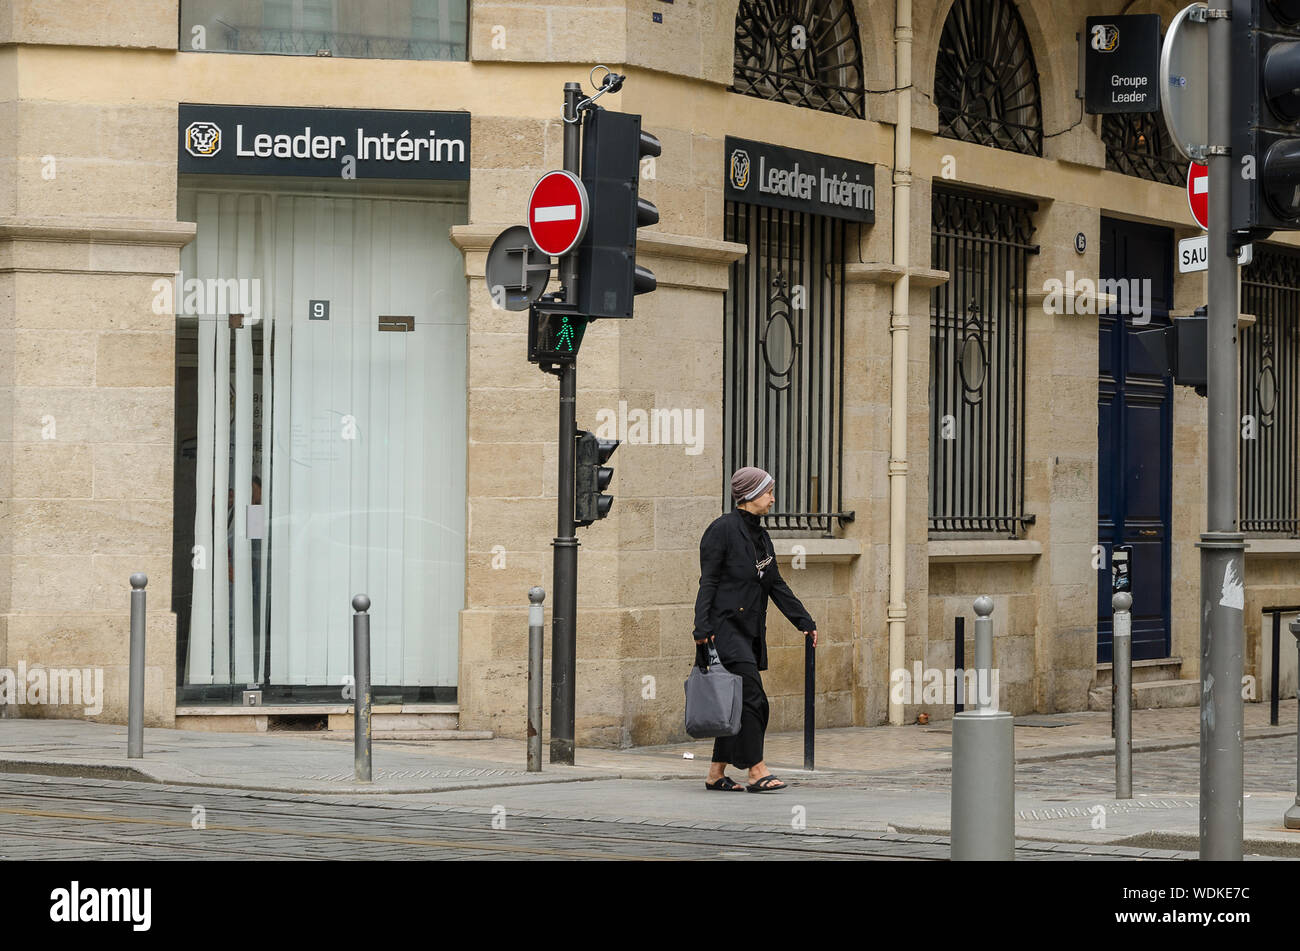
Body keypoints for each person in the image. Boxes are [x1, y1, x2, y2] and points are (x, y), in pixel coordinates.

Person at [692, 466, 818, 792]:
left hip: (748, 632)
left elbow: (775, 583)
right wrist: (701, 630)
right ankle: (756, 770)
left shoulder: (760, 535)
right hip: (723, 630)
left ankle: (715, 773)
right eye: (767, 492)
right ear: (748, 495)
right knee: (753, 700)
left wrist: (804, 622)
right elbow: (709, 582)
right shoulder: (721, 530)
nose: (772, 499)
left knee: (734, 701)